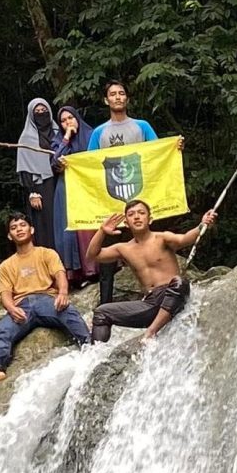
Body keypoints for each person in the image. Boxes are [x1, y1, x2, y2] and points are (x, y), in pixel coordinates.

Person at [0, 212, 91, 381]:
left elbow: (60, 275)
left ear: (32, 229)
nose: (19, 230)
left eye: (23, 225)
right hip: (22, 305)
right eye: (14, 228)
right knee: (4, 329)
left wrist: (63, 293)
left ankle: (90, 348)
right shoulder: (6, 266)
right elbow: (5, 294)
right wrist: (11, 308)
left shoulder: (47, 253)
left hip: (46, 299)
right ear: (9, 236)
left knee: (69, 313)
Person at [86, 199, 217, 343]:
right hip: (150, 304)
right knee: (101, 313)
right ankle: (96, 356)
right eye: (131, 214)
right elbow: (93, 256)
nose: (137, 217)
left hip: (173, 295)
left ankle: (151, 332)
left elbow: (184, 239)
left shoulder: (161, 238)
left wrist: (201, 225)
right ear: (126, 223)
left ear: (150, 219)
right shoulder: (123, 249)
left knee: (180, 282)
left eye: (141, 213)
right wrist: (101, 232)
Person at [88, 83, 159, 308]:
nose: (117, 97)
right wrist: (68, 165)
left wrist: (175, 147)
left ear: (127, 98)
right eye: (112, 94)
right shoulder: (99, 132)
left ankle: (157, 295)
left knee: (148, 249)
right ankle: (105, 305)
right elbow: (88, 164)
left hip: (141, 201)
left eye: (121, 93)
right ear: (106, 100)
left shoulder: (142, 126)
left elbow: (159, 152)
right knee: (107, 258)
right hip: (112, 204)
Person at [50, 102, 94, 283]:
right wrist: (66, 137)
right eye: (63, 121)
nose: (68, 122)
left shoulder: (91, 135)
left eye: (70, 118)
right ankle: (75, 274)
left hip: (88, 186)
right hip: (66, 187)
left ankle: (94, 269)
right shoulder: (58, 140)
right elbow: (55, 163)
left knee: (89, 227)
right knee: (68, 229)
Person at [16, 98, 56, 237]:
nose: (41, 114)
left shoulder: (58, 133)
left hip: (60, 184)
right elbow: (24, 169)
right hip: (40, 189)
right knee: (44, 226)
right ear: (31, 116)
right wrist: (32, 193)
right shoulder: (26, 139)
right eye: (37, 112)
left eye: (44, 111)